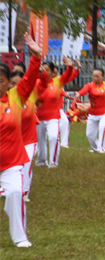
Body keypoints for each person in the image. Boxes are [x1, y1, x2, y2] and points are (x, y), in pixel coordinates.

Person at [1, 36, 43, 247]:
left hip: (11, 163)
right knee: (12, 196)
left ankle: (20, 237)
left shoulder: (16, 97)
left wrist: (36, 56)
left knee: (16, 192)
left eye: (0, 80)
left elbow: (30, 78)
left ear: (8, 82)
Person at [34, 57, 77, 168]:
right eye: (42, 69)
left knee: (53, 137)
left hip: (53, 117)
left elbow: (68, 75)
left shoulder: (57, 81)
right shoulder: (37, 82)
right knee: (40, 141)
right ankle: (41, 161)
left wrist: (70, 66)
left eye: (47, 70)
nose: (44, 72)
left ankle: (53, 162)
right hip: (39, 117)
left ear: (52, 72)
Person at [9, 69, 39, 202]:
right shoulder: (7, 98)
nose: (16, 87)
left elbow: (41, 81)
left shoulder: (31, 95)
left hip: (29, 140)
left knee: (26, 165)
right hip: (11, 141)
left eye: (19, 83)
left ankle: (24, 192)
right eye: (13, 84)